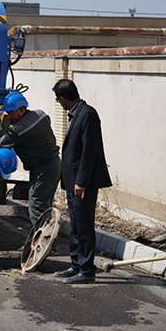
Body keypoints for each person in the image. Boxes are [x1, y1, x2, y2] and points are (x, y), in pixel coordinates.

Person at [52, 79, 112, 284]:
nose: (59, 104)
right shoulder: (76, 114)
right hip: (72, 181)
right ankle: (76, 264)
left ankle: (87, 270)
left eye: (59, 99)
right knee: (76, 225)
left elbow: (89, 152)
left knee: (84, 225)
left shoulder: (88, 115)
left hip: (82, 182)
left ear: (64, 98)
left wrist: (81, 182)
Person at [0, 91, 61, 226]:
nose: (8, 115)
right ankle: (48, 239)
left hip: (43, 169)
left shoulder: (19, 129)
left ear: (22, 109)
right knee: (44, 205)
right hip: (53, 164)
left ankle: (43, 241)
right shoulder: (41, 115)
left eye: (11, 112)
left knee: (36, 204)